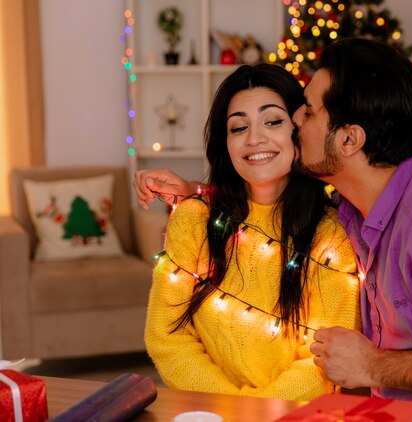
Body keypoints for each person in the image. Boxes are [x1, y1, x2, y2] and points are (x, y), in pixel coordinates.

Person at [135, 39, 412, 408]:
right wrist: (200, 195)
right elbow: (260, 210)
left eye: (306, 113)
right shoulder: (358, 209)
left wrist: (372, 366)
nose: (293, 121)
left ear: (349, 139)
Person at [140, 63, 360, 401]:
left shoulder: (331, 236)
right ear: (225, 142)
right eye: (239, 127)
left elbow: (322, 362)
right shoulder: (193, 220)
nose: (254, 138)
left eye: (272, 121)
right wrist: (233, 409)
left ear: (299, 129)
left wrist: (256, 413)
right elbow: (167, 337)